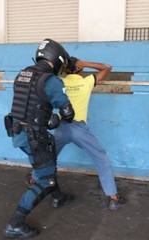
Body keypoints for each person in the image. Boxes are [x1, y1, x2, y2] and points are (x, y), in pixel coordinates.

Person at [3, 39, 75, 238]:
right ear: (57, 59)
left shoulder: (23, 74)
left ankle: (58, 197)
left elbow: (27, 104)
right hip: (34, 137)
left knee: (47, 164)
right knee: (46, 179)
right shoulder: (51, 81)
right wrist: (57, 118)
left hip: (18, 133)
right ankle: (15, 223)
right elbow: (68, 113)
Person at [54, 57, 126, 210]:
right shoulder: (86, 82)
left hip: (61, 127)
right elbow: (107, 67)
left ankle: (34, 180)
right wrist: (84, 63)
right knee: (102, 159)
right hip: (79, 129)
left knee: (47, 157)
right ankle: (113, 198)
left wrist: (67, 67)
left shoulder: (60, 82)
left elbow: (52, 73)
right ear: (80, 69)